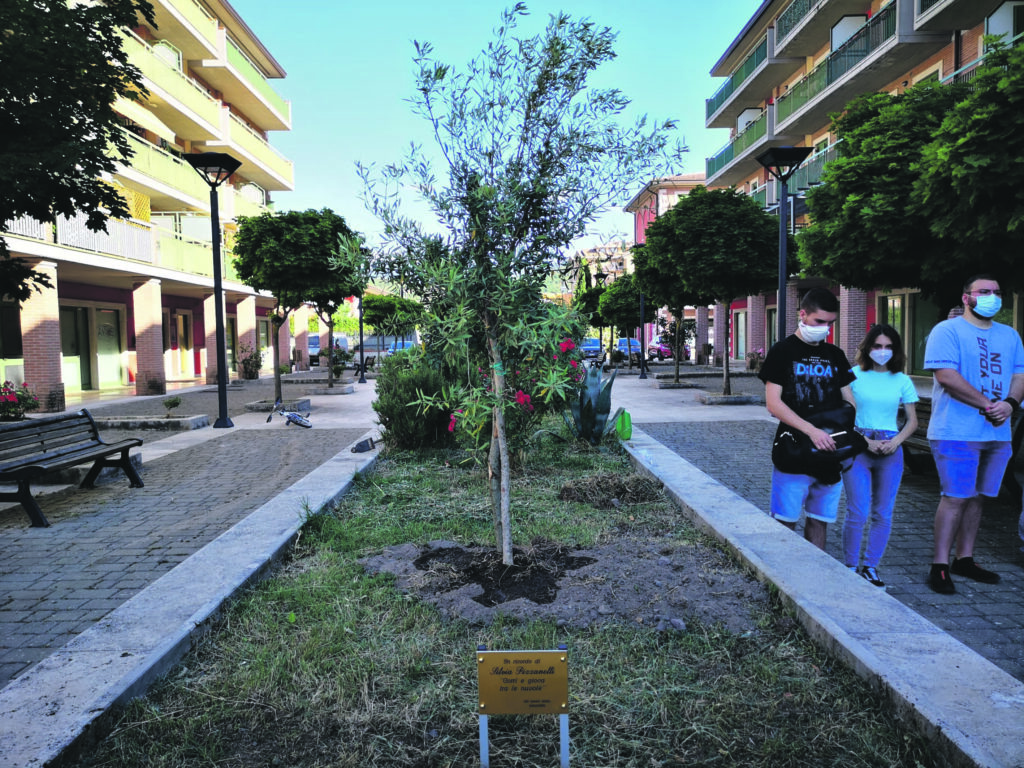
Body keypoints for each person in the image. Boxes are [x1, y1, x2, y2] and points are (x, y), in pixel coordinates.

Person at [923, 274, 1024, 594]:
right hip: (956, 431)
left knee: (979, 497)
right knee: (955, 497)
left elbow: (1020, 374)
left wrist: (1009, 404)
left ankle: (964, 558)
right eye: (984, 292)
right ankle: (939, 564)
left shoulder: (1010, 335)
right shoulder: (947, 330)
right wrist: (987, 404)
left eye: (996, 292)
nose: (992, 297)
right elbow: (946, 375)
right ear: (967, 298)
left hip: (997, 434)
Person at [759, 287, 856, 550]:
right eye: (819, 322)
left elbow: (850, 402)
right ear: (803, 314)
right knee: (784, 523)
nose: (825, 328)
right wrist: (812, 430)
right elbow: (773, 403)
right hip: (793, 452)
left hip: (829, 455)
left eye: (830, 323)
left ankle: (815, 578)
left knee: (819, 521)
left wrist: (837, 433)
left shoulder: (835, 355)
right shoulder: (782, 351)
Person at [842, 324, 919, 587]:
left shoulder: (902, 380)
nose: (883, 351)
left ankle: (871, 567)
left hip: (890, 449)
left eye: (888, 347)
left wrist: (896, 441)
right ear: (867, 348)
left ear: (895, 350)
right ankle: (850, 566)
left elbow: (912, 422)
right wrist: (865, 441)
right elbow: (844, 416)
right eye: (877, 346)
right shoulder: (852, 376)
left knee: (883, 513)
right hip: (859, 447)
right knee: (857, 511)